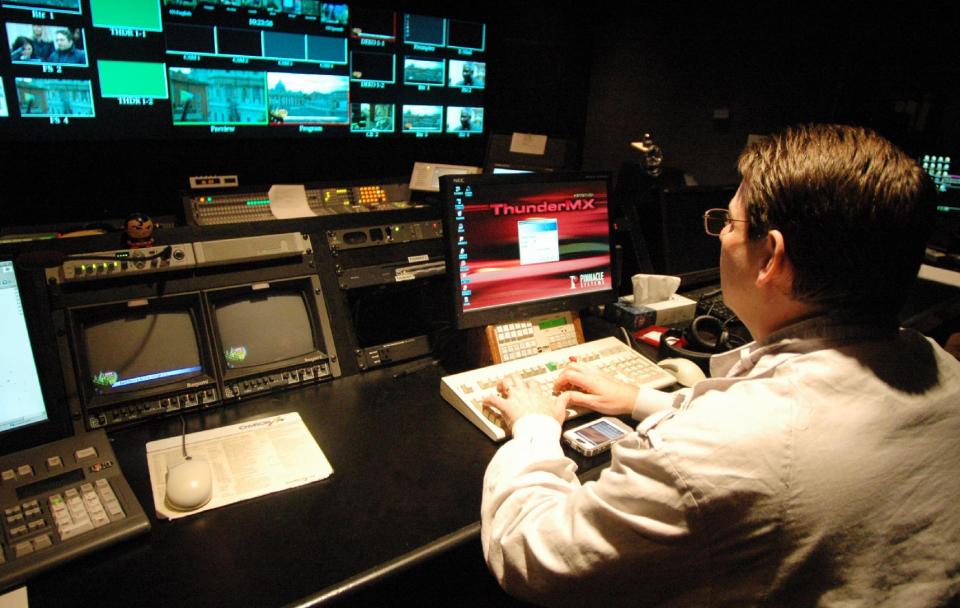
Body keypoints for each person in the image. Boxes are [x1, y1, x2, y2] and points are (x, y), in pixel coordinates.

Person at [480, 124, 960, 606]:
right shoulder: (940, 366)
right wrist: (643, 401)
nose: (721, 236)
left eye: (727, 223)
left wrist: (535, 430)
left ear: (770, 256)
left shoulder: (717, 451)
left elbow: (536, 557)